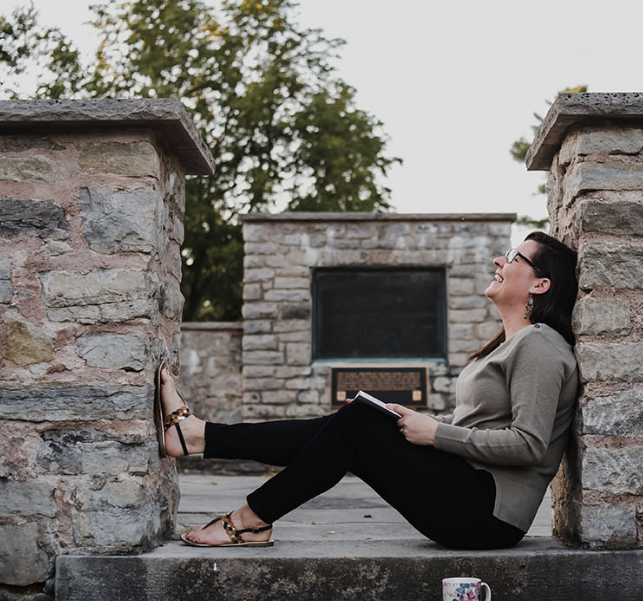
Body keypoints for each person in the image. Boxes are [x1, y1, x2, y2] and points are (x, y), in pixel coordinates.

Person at [157, 231, 579, 550]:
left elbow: (529, 445)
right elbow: (485, 429)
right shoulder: (512, 344)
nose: (498, 260)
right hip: (466, 489)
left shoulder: (539, 345)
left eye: (513, 256)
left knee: (358, 424)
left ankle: (246, 510)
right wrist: (431, 431)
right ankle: (201, 440)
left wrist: (436, 433)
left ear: (540, 285)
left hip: (488, 515)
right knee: (351, 422)